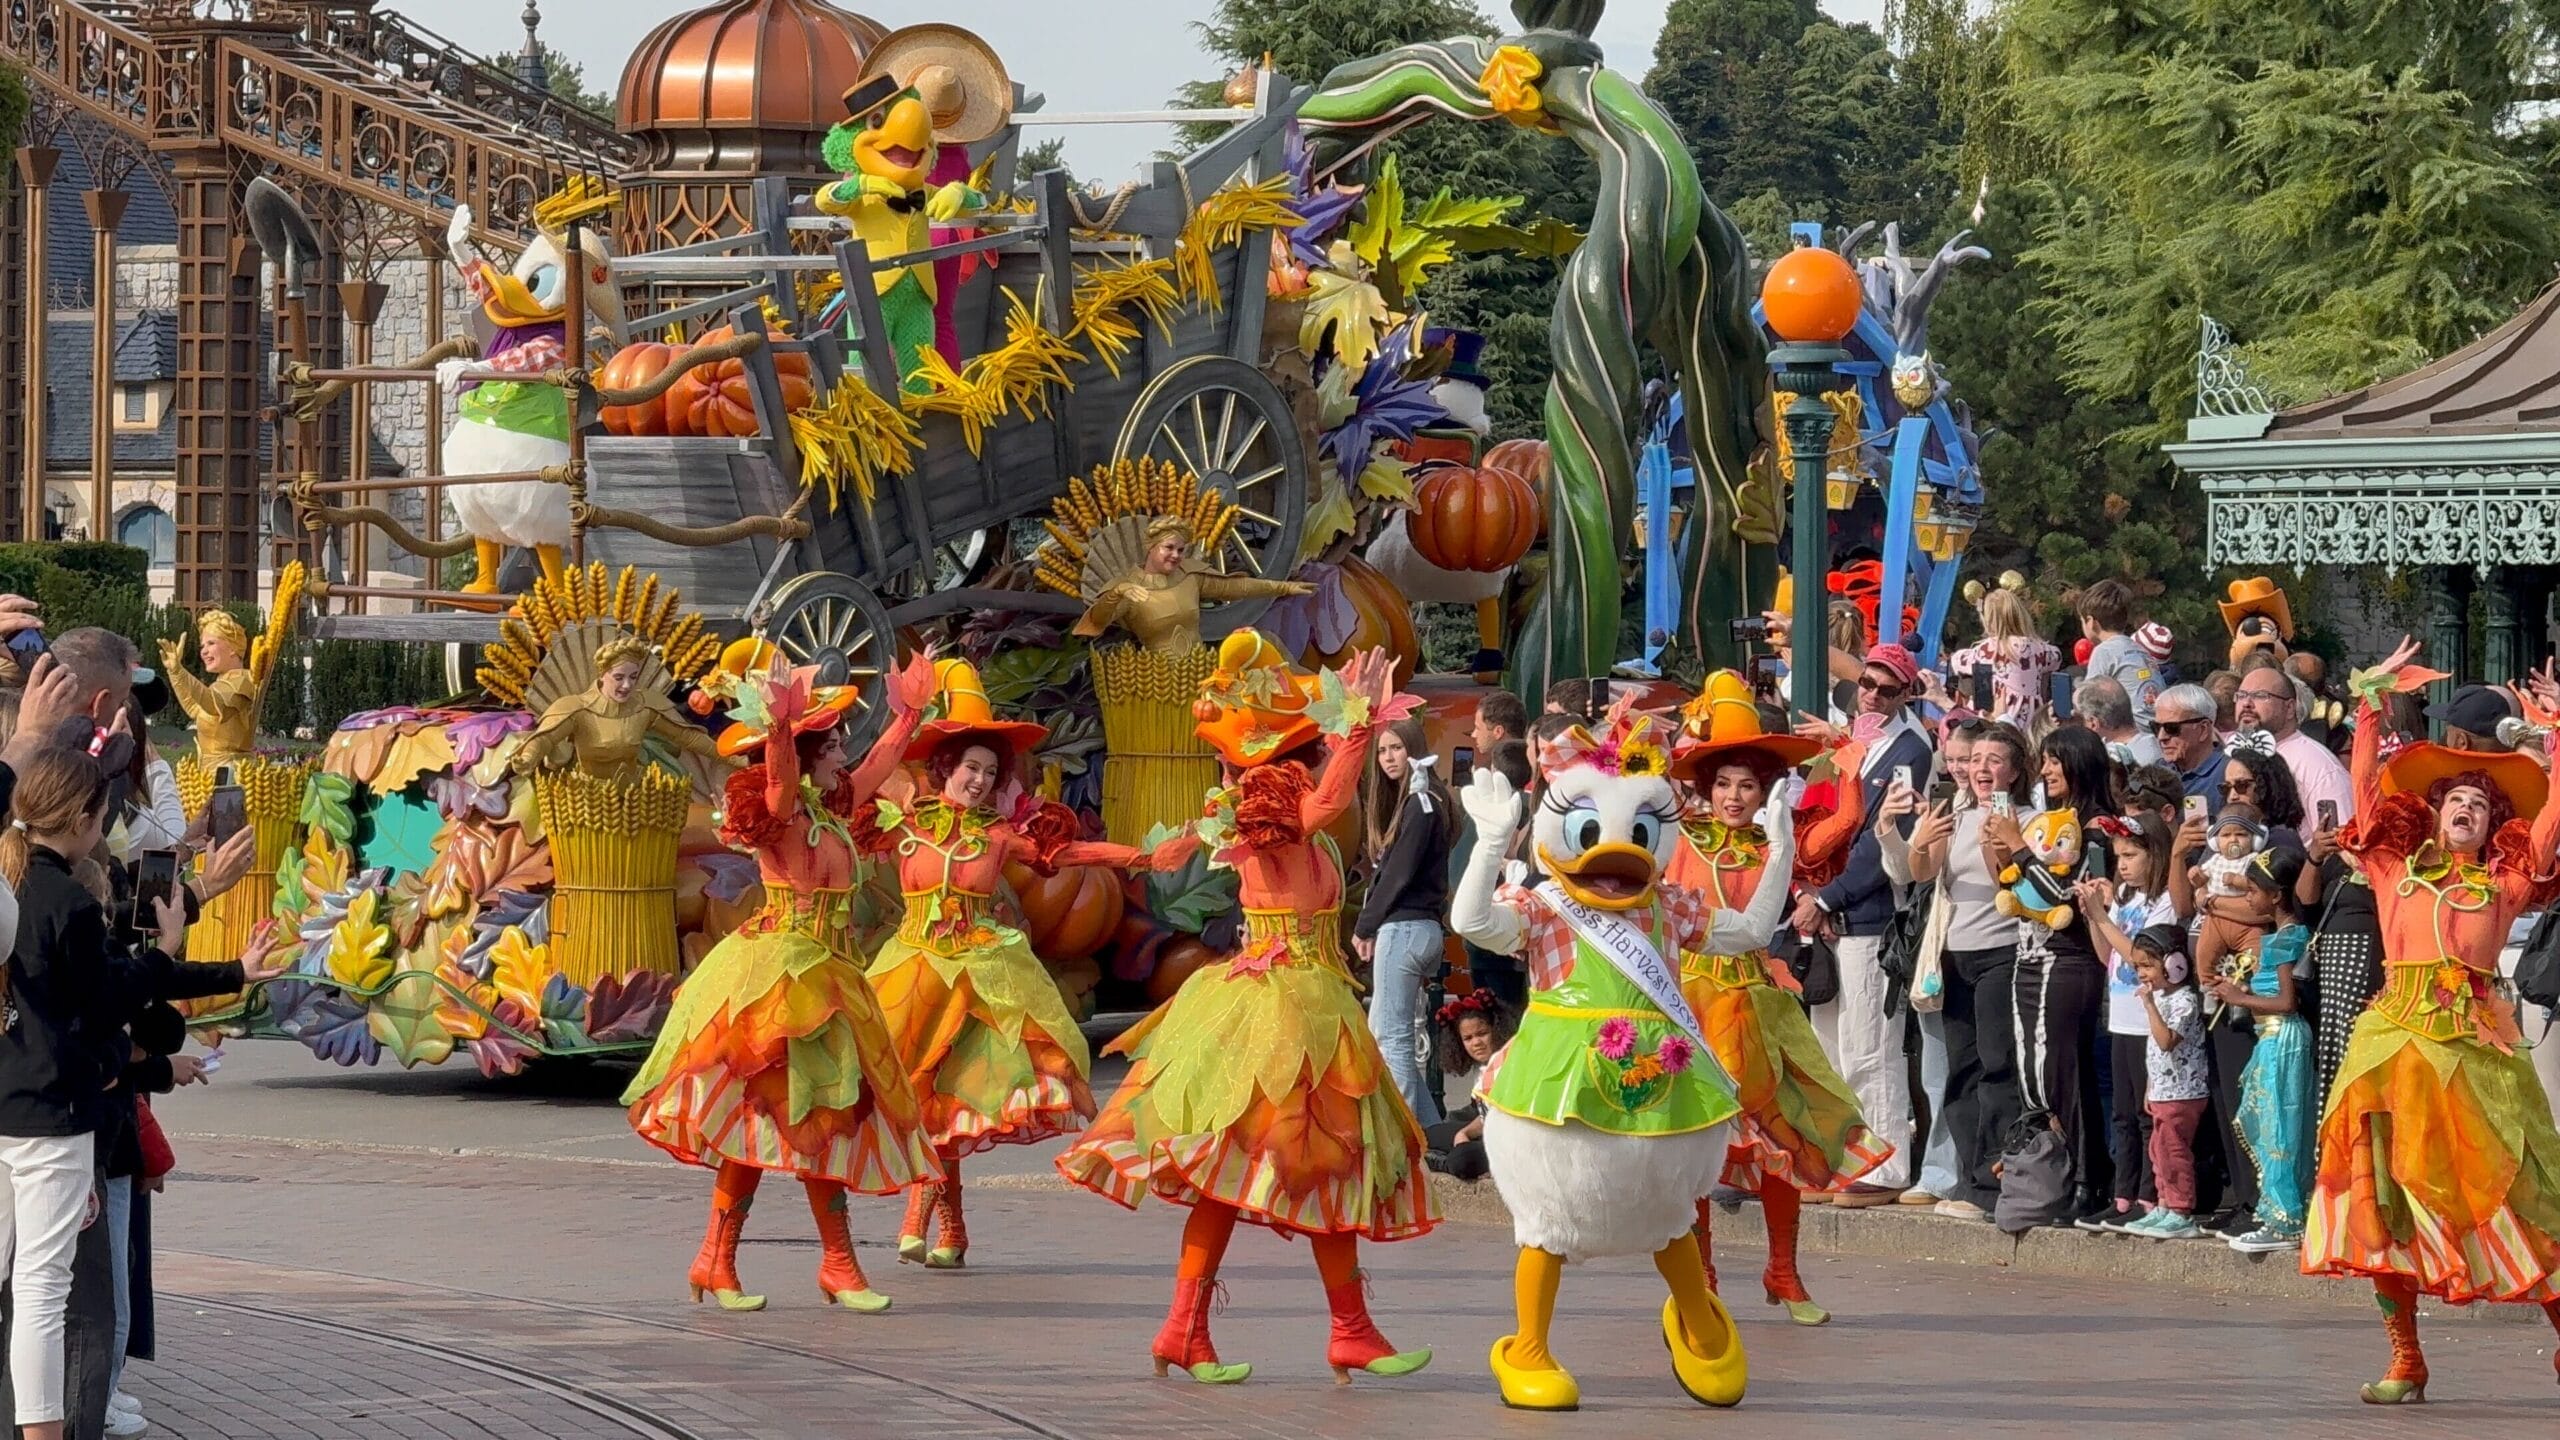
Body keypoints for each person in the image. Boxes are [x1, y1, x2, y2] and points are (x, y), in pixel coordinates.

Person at [1058, 640, 1435, 1388]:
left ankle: (1199, 1330)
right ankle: (1324, 1330)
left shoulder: (1270, 817)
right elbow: (1324, 802)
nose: (1304, 760)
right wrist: (1358, 725)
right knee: (1305, 1166)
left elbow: (1308, 813)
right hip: (1280, 1012)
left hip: (1296, 1005)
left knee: (1264, 1175)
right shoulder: (1270, 816)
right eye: (1298, 747)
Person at [1450, 696, 1765, 1412]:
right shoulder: (1542, 906)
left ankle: (1698, 1320)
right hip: (1558, 1080)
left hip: (1659, 1074)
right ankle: (1527, 1347)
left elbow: (1746, 933)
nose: (1614, 852)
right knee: (1550, 1224)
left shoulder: (1666, 906)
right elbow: (1469, 921)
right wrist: (1491, 842)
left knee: (1669, 1214)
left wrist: (1773, 853)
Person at [621, 657, 942, 1315]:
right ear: (809, 756)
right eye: (835, 745)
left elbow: (879, 766)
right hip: (777, 979)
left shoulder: (830, 810)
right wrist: (779, 729)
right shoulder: (782, 811)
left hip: (829, 979)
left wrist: (909, 714)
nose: (846, 754)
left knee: (807, 1124)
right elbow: (780, 779)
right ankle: (778, 1261)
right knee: (779, 1121)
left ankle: (776, 1262)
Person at [2303, 638, 2560, 1403]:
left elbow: (2551, 824)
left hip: (2476, 1058)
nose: (2467, 809)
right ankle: (2405, 1357)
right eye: (2456, 801)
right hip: (2392, 1054)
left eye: (2480, 806)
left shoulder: (2504, 884)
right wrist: (2372, 705)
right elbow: (2365, 790)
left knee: (2519, 1195)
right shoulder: (2392, 868)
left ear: (2492, 825)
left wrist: (2557, 734)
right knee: (2379, 1202)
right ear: (2435, 812)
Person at [0, 744, 282, 1440]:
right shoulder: (64, 899)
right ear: (86, 817)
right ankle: (40, 1431)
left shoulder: (15, 887)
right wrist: (170, 951)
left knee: (16, 1282)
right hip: (52, 1115)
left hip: (8, 1105)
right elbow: (107, 1001)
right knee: (44, 1287)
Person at [864, 658, 1164, 1270]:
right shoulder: (902, 824)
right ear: (946, 769)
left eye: (990, 772)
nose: (978, 779)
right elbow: (847, 796)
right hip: (913, 975)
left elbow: (1069, 851)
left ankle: (923, 1213)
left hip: (981, 981)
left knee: (944, 1098)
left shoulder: (998, 836)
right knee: (916, 1096)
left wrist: (1146, 857)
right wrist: (903, 718)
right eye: (970, 767)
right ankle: (952, 1225)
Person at [1669, 672, 1889, 1327]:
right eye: (1725, 784)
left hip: (1756, 1012)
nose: (1735, 796)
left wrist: (1846, 750)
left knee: (1779, 1145)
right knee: (1698, 1155)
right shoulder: (1678, 843)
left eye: (1748, 785)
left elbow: (1846, 820)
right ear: (1708, 791)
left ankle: (1783, 1270)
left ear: (1765, 793)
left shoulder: (1777, 845)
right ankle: (1701, 1278)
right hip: (1690, 1012)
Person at [1793, 642, 1933, 1204]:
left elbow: (1882, 844)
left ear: (1906, 695)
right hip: (1833, 912)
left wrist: (1825, 897)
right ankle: (1842, 1160)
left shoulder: (1909, 748)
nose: (1871, 694)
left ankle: (1886, 1166)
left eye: (1886, 688)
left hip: (1871, 917)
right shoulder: (1854, 740)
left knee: (1870, 1047)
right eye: (1866, 684)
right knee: (1831, 1048)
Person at [1884, 717, 2031, 1221]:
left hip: (2002, 951)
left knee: (1997, 1066)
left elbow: (2006, 880)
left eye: (1994, 760)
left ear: (2014, 770)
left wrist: (1999, 829)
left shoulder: (2025, 818)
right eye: (1974, 760)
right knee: (1960, 1071)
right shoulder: (1955, 812)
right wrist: (1921, 838)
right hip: (1953, 954)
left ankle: (1995, 1185)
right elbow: (1922, 874)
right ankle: (1968, 1181)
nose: (1981, 769)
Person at [1993, 725, 2116, 1219]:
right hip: (2032, 955)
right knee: (2045, 1070)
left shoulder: (2098, 827)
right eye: (2043, 761)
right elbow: (2022, 891)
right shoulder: (2053, 819)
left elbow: (2060, 893)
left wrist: (2019, 849)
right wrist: (2005, 853)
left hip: (2067, 959)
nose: (2044, 771)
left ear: (2078, 765)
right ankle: (2056, 1174)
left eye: (2053, 761)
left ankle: (2083, 1177)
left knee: (2057, 1071)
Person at [2206, 848, 2314, 1255]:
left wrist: (2238, 995)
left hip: (2282, 1036)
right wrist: (2246, 990)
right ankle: (2282, 1213)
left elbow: (2287, 1002)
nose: (2248, 898)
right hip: (2276, 1036)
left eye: (2253, 891)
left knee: (2279, 1131)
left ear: (2276, 895)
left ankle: (2284, 1219)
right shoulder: (2283, 935)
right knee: (2277, 1126)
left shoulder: (2285, 939)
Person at [2078, 813, 2177, 1232]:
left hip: (2148, 1022)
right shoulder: (2125, 898)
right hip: (2119, 1017)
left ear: (2154, 854)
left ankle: (2148, 1195)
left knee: (2144, 1113)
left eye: (2132, 855)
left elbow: (2139, 956)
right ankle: (2122, 1197)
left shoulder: (2165, 901)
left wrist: (2104, 918)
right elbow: (2109, 957)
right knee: (2121, 1113)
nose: (2123, 864)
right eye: (2118, 856)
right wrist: (2093, 915)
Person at [1354, 716, 1455, 1127]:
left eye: (1396, 748)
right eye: (1381, 750)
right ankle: (1430, 1131)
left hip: (1405, 928)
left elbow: (1400, 872)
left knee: (1392, 1039)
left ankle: (1406, 1137)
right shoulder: (1430, 799)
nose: (1388, 758)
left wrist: (1365, 924)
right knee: (1390, 1035)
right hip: (1422, 928)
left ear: (1413, 747)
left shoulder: (1421, 801)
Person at [2127, 931, 2210, 1238]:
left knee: (2174, 1150)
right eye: (2138, 967)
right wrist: (2151, 1086)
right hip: (2163, 1091)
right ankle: (2163, 1203)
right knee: (2158, 1149)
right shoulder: (2163, 999)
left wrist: (2149, 1006)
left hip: (2183, 1092)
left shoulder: (2184, 1001)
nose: (2142, 973)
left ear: (2174, 964)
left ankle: (2180, 1209)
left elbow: (2165, 1042)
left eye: (2147, 965)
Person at [2236, 658, 2354, 826]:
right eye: (2241, 696)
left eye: (2260, 696)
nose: (2246, 704)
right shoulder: (2234, 757)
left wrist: (2312, 852)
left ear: (2290, 708)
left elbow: (2339, 843)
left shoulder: (2318, 767)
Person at [1953, 573, 2063, 731]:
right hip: (2032, 725)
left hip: (1998, 721)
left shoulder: (1987, 650)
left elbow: (1957, 661)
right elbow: (2057, 658)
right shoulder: (2039, 649)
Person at [1424, 992, 1514, 1182]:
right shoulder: (1481, 1070)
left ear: (1496, 1029)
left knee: (1462, 1159)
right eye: (1468, 1038)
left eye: (1482, 1034)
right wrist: (1463, 1133)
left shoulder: (1510, 1064)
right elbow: (1484, 1116)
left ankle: (1445, 1163)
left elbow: (1501, 1118)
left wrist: (1465, 1136)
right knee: (1427, 1135)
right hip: (1486, 1132)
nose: (1476, 1043)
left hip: (1510, 1144)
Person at [2076, 579, 2163, 727]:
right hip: (2157, 728)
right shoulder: (2140, 650)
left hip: (2131, 732)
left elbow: (2087, 702)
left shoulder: (2104, 652)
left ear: (2091, 622)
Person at [2152, 683, 2228, 814]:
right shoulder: (2156, 773)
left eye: (2172, 728)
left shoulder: (2229, 774)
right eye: (2156, 727)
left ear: (2203, 729)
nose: (2161, 737)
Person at [2074, 675, 2159, 767]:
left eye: (2076, 714)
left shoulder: (2112, 767)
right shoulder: (2159, 747)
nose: (2072, 717)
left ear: (2093, 723)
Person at [2426, 682, 2517, 752]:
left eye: (2448, 735)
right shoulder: (2525, 773)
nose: (2443, 743)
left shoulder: (2434, 775)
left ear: (2461, 742)